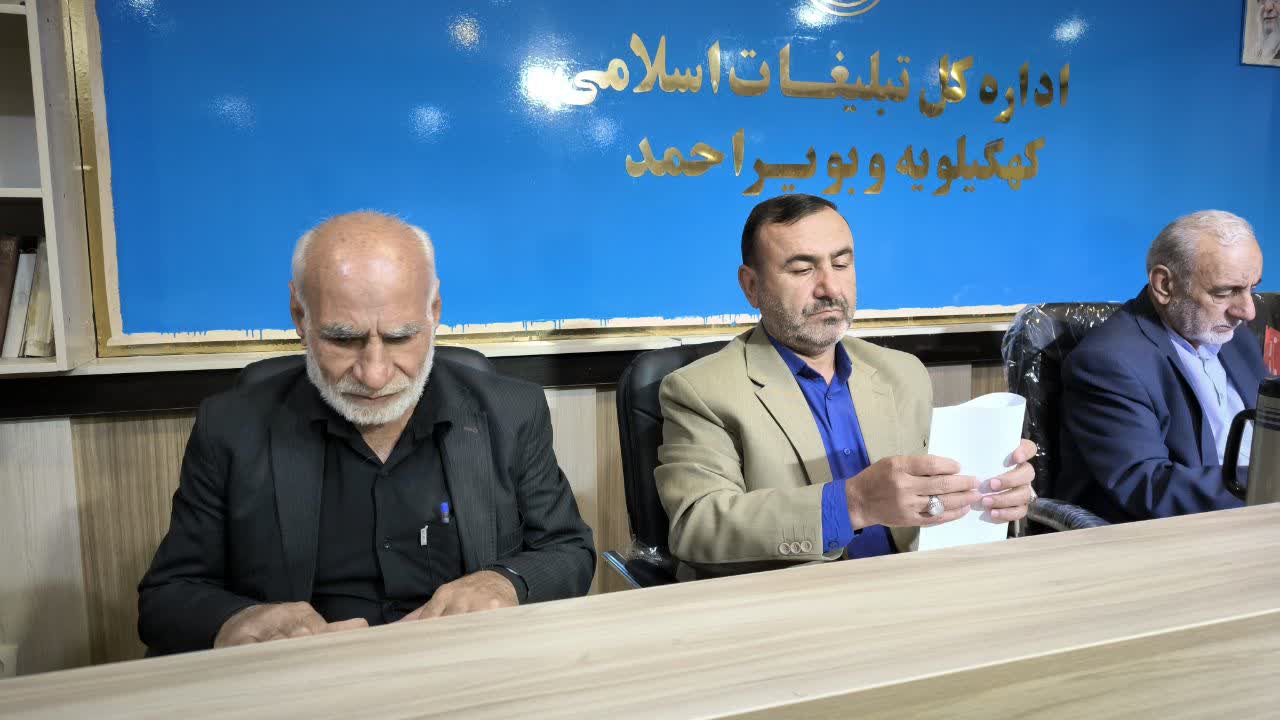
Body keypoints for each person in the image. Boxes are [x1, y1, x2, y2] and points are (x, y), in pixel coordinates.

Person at [139, 211, 594, 654]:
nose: (375, 375)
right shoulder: (231, 428)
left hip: (465, 665)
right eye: (343, 339)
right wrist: (238, 620)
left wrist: (505, 583)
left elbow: (568, 549)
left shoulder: (512, 412)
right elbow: (167, 596)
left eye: (400, 337)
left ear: (434, 311)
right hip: (303, 678)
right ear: (300, 315)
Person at [655, 194, 1036, 575]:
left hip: (916, 585)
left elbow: (930, 501)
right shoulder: (701, 390)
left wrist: (992, 492)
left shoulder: (903, 373)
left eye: (841, 264)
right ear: (751, 286)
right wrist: (853, 504)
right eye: (802, 269)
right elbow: (697, 524)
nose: (830, 287)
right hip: (794, 602)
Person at [1060, 210, 1265, 523]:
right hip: (1190, 532)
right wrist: (1267, 482)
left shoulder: (1238, 340)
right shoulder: (1107, 363)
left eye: (1253, 288)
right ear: (1165, 285)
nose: (1248, 311)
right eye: (1225, 292)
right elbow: (1148, 487)